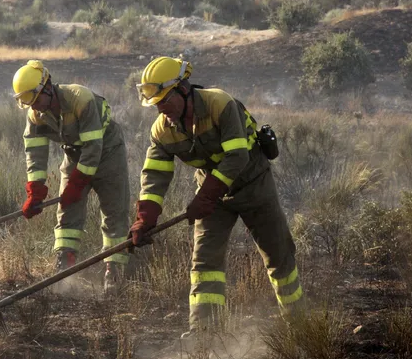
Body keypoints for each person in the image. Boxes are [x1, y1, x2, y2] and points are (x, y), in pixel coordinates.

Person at [129, 56, 304, 341]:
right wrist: (145, 219)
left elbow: (237, 157)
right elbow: (154, 175)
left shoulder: (220, 104)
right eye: (156, 103)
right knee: (204, 264)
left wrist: (206, 196)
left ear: (183, 89)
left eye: (165, 100)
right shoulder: (162, 130)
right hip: (211, 194)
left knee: (279, 256)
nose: (161, 109)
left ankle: (299, 325)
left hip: (253, 185)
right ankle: (204, 334)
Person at [12, 60, 129, 292]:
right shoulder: (36, 114)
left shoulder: (80, 99)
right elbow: (34, 152)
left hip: (108, 151)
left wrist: (77, 183)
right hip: (74, 154)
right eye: (25, 101)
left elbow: (94, 148)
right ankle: (65, 266)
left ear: (47, 87)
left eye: (33, 98)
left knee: (114, 211)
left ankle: (113, 270)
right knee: (66, 212)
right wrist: (35, 189)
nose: (32, 106)